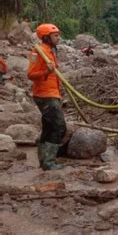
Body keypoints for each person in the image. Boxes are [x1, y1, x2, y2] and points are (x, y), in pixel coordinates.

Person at [27, 23, 66, 170]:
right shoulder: (38, 52)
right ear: (46, 37)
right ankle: (49, 162)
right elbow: (30, 75)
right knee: (59, 127)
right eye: (55, 35)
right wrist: (46, 72)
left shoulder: (50, 51)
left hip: (52, 94)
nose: (58, 38)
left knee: (48, 127)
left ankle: (43, 161)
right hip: (45, 95)